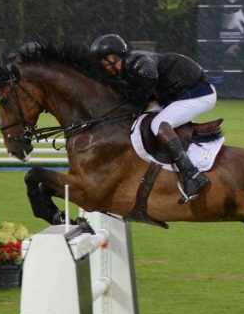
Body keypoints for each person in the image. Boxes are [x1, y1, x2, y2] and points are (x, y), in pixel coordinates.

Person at [90, 33, 216, 204]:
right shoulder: (126, 69)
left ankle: (191, 175)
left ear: (114, 57)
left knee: (159, 124)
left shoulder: (138, 62)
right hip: (175, 95)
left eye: (105, 62)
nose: (104, 68)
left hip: (199, 94)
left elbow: (149, 79)